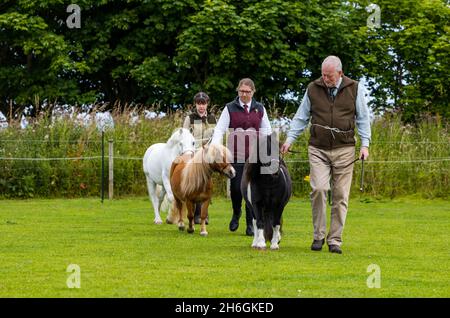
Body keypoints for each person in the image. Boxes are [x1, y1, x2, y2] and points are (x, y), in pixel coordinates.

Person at [280, 56, 371, 254]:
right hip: (318, 148)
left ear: (340, 73)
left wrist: (365, 145)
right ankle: (318, 236)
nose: (325, 79)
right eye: (323, 74)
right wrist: (289, 140)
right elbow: (301, 117)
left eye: (329, 76)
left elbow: (363, 118)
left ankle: (335, 240)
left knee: (340, 195)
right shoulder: (313, 88)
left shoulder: (354, 88)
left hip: (345, 149)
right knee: (319, 189)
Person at [211, 78, 272, 236]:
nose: (244, 94)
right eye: (241, 91)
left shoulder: (260, 109)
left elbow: (266, 130)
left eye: (247, 91)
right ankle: (236, 212)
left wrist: (268, 148)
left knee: (252, 190)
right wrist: (216, 147)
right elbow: (219, 129)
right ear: (238, 91)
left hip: (254, 157)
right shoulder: (230, 108)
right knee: (237, 189)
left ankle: (250, 223)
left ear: (253, 92)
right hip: (235, 155)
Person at [183, 92, 217, 224]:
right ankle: (196, 214)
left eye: (203, 104)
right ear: (195, 104)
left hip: (208, 156)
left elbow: (215, 136)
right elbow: (185, 136)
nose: (201, 106)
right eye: (199, 103)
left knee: (206, 185)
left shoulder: (212, 118)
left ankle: (204, 214)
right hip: (194, 155)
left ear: (207, 104)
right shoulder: (190, 118)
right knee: (196, 185)